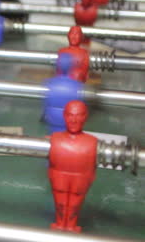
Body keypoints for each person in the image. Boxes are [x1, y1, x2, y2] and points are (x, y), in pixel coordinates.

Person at [49, 100, 97, 233]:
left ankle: (70, 226)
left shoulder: (92, 142)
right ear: (64, 116)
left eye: (79, 115)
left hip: (80, 179)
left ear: (85, 116)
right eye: (70, 115)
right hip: (60, 176)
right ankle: (60, 225)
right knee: (60, 203)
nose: (74, 120)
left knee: (74, 205)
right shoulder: (55, 138)